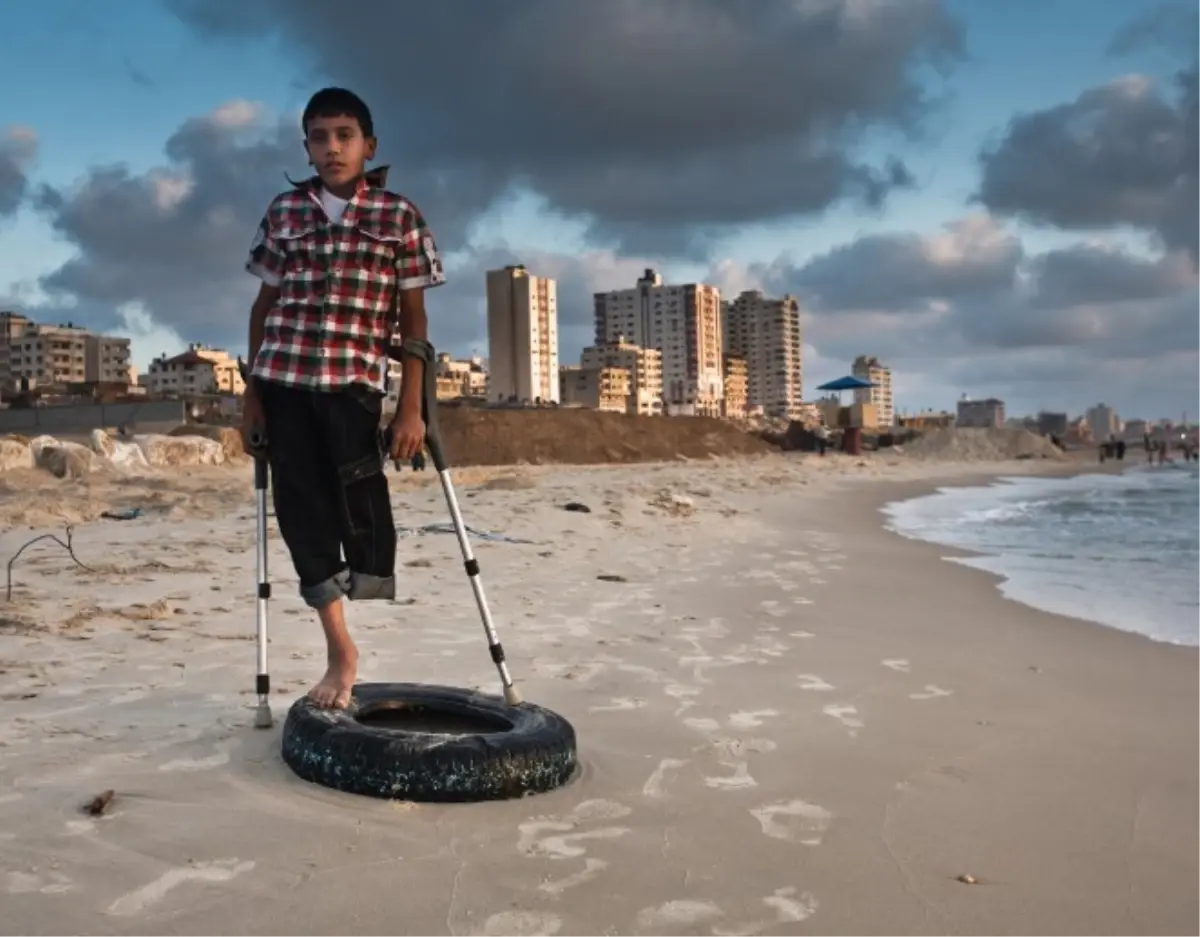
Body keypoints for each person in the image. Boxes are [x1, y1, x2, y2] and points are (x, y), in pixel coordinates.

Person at [240, 87, 445, 709]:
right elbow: (263, 306)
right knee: (300, 511)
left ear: (369, 145)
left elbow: (414, 320)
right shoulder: (284, 212)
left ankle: (364, 583)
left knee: (359, 497)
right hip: (283, 380)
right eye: (320, 137)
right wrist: (251, 395)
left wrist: (411, 407)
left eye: (344, 135)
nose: (332, 147)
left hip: (355, 383)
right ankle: (340, 648)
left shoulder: (398, 215)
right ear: (306, 146)